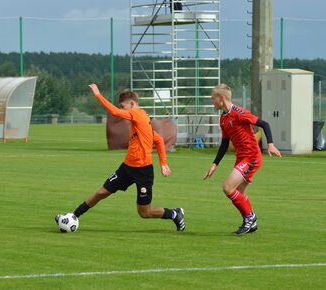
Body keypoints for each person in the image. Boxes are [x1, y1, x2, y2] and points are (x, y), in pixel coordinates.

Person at [56, 84, 186, 231]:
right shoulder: (140, 120)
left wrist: (98, 95)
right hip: (127, 168)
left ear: (132, 104)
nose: (123, 110)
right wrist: (163, 163)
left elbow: (115, 112)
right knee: (102, 192)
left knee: (144, 212)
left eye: (124, 106)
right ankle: (73, 216)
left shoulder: (136, 113)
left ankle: (174, 214)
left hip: (143, 171)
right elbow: (158, 139)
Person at [203, 84, 282, 235]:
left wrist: (270, 144)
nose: (212, 102)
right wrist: (215, 164)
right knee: (239, 193)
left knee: (227, 187)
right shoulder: (223, 118)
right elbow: (225, 143)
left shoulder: (239, 113)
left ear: (222, 98)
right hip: (241, 158)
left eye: (213, 98)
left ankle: (250, 218)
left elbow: (264, 124)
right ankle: (250, 223)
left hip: (251, 157)